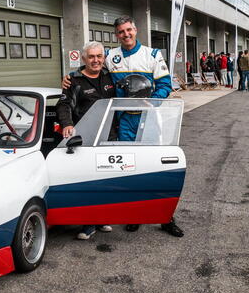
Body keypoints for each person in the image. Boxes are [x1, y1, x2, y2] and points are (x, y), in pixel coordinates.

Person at [62, 16, 183, 237]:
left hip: (149, 119)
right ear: (116, 35)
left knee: (157, 170)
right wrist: (70, 78)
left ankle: (167, 218)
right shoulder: (111, 56)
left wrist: (153, 100)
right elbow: (92, 67)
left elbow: (166, 84)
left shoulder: (153, 54)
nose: (125, 35)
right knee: (130, 170)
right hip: (122, 121)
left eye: (129, 30)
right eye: (121, 32)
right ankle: (134, 215)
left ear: (135, 30)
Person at [56, 41, 114, 240]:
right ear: (84, 59)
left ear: (103, 58)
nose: (96, 60)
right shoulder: (74, 80)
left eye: (99, 56)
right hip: (86, 138)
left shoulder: (110, 76)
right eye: (91, 57)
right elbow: (63, 105)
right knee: (90, 180)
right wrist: (67, 124)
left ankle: (103, 218)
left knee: (107, 180)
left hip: (109, 137)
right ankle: (89, 223)